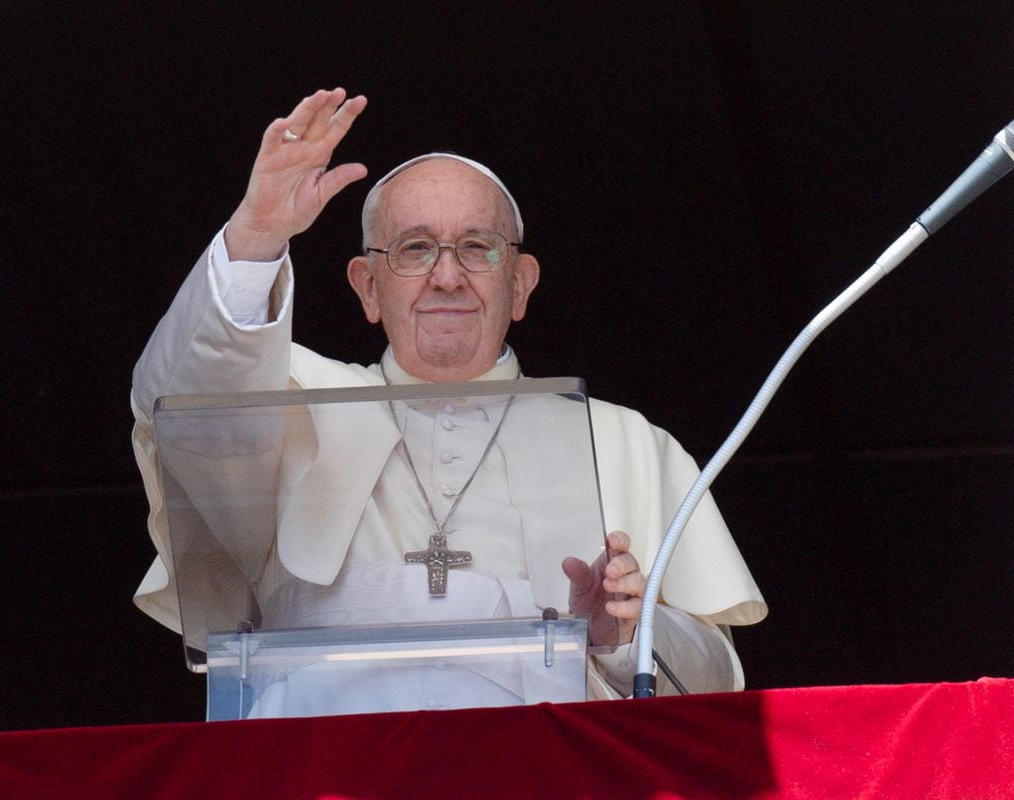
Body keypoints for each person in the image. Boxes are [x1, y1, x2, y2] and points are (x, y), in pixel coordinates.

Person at [130, 88, 766, 707]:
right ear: (367, 288)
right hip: (322, 761)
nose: (446, 275)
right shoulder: (290, 404)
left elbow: (715, 687)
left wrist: (621, 637)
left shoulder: (625, 442)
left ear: (520, 285)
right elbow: (181, 416)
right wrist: (256, 234)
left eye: (476, 248)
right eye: (413, 248)